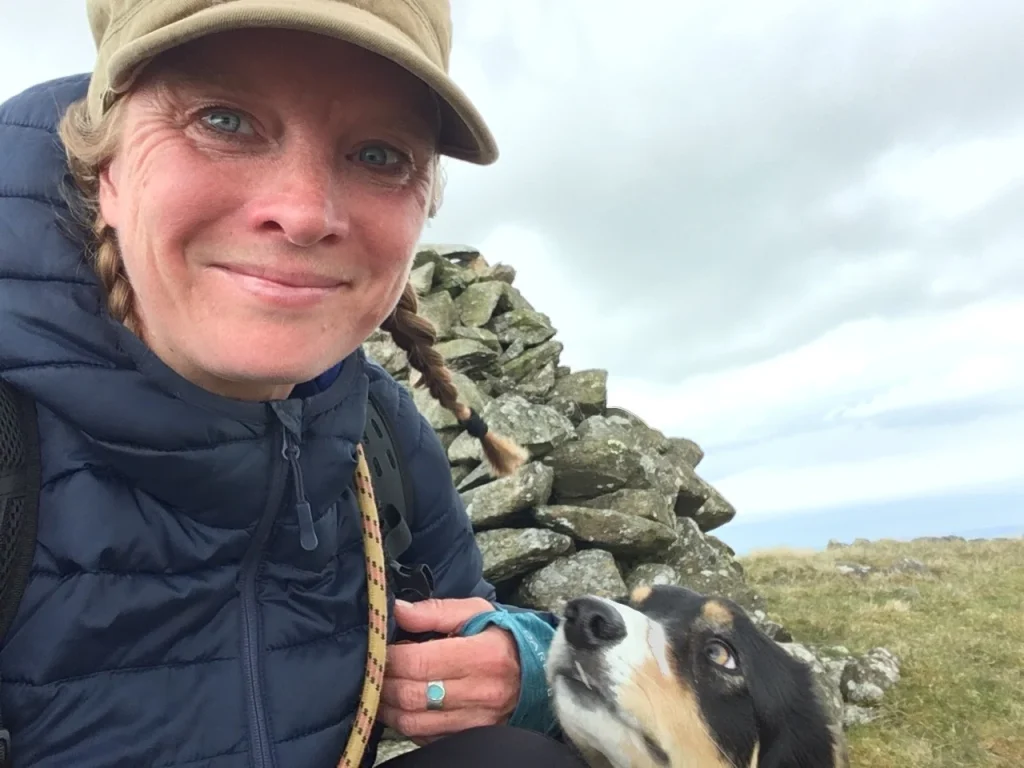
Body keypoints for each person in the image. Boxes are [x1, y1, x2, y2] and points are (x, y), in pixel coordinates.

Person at [0, 2, 587, 767]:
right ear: (105, 168)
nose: (306, 214)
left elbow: (463, 623)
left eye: (379, 155)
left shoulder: (376, 434)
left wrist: (523, 665)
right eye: (225, 120)